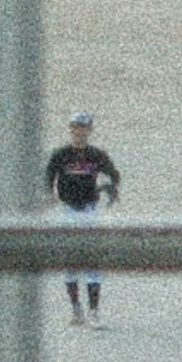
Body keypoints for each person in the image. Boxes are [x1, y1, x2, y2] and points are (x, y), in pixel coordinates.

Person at [43, 111, 121, 326]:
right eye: (75, 128)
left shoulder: (96, 155)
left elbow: (113, 174)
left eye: (83, 128)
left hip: (89, 210)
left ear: (89, 130)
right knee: (70, 262)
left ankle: (94, 311)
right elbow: (49, 175)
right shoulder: (61, 154)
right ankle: (76, 309)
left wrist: (109, 186)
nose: (79, 132)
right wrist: (48, 194)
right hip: (67, 210)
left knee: (92, 261)